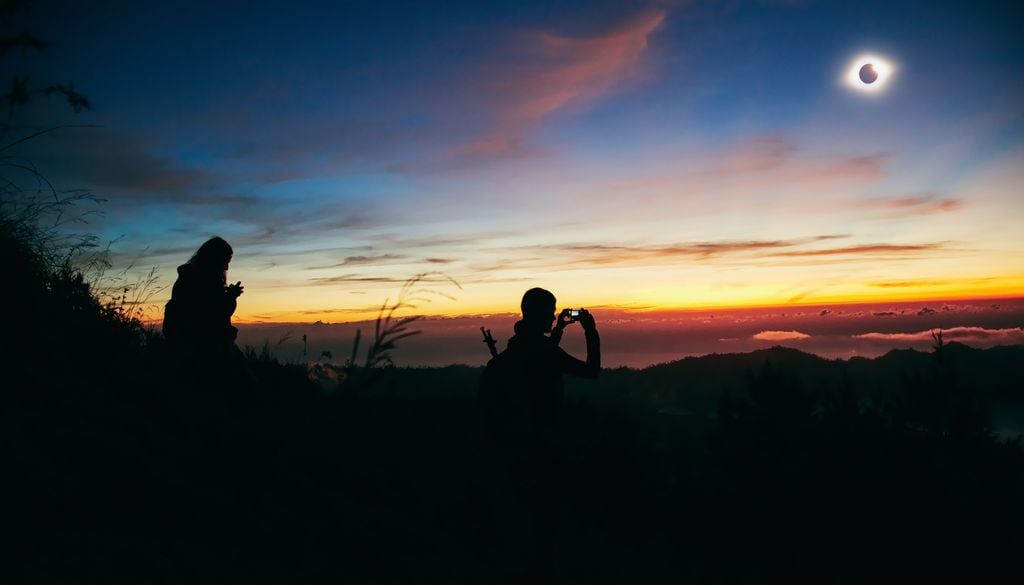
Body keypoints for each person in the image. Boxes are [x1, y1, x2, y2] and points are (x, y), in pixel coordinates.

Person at [478, 287, 600, 582]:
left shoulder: (511, 354)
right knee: (545, 527)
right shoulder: (543, 353)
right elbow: (591, 371)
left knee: (521, 526)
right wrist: (591, 332)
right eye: (552, 310)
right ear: (538, 313)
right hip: (544, 453)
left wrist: (557, 331)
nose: (555, 315)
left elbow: (540, 356)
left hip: (512, 453)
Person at [163, 236, 248, 387]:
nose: (227, 268)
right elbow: (218, 314)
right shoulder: (207, 282)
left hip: (187, 344)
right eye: (226, 261)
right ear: (215, 259)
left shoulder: (187, 278)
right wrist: (232, 297)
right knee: (244, 385)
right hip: (209, 347)